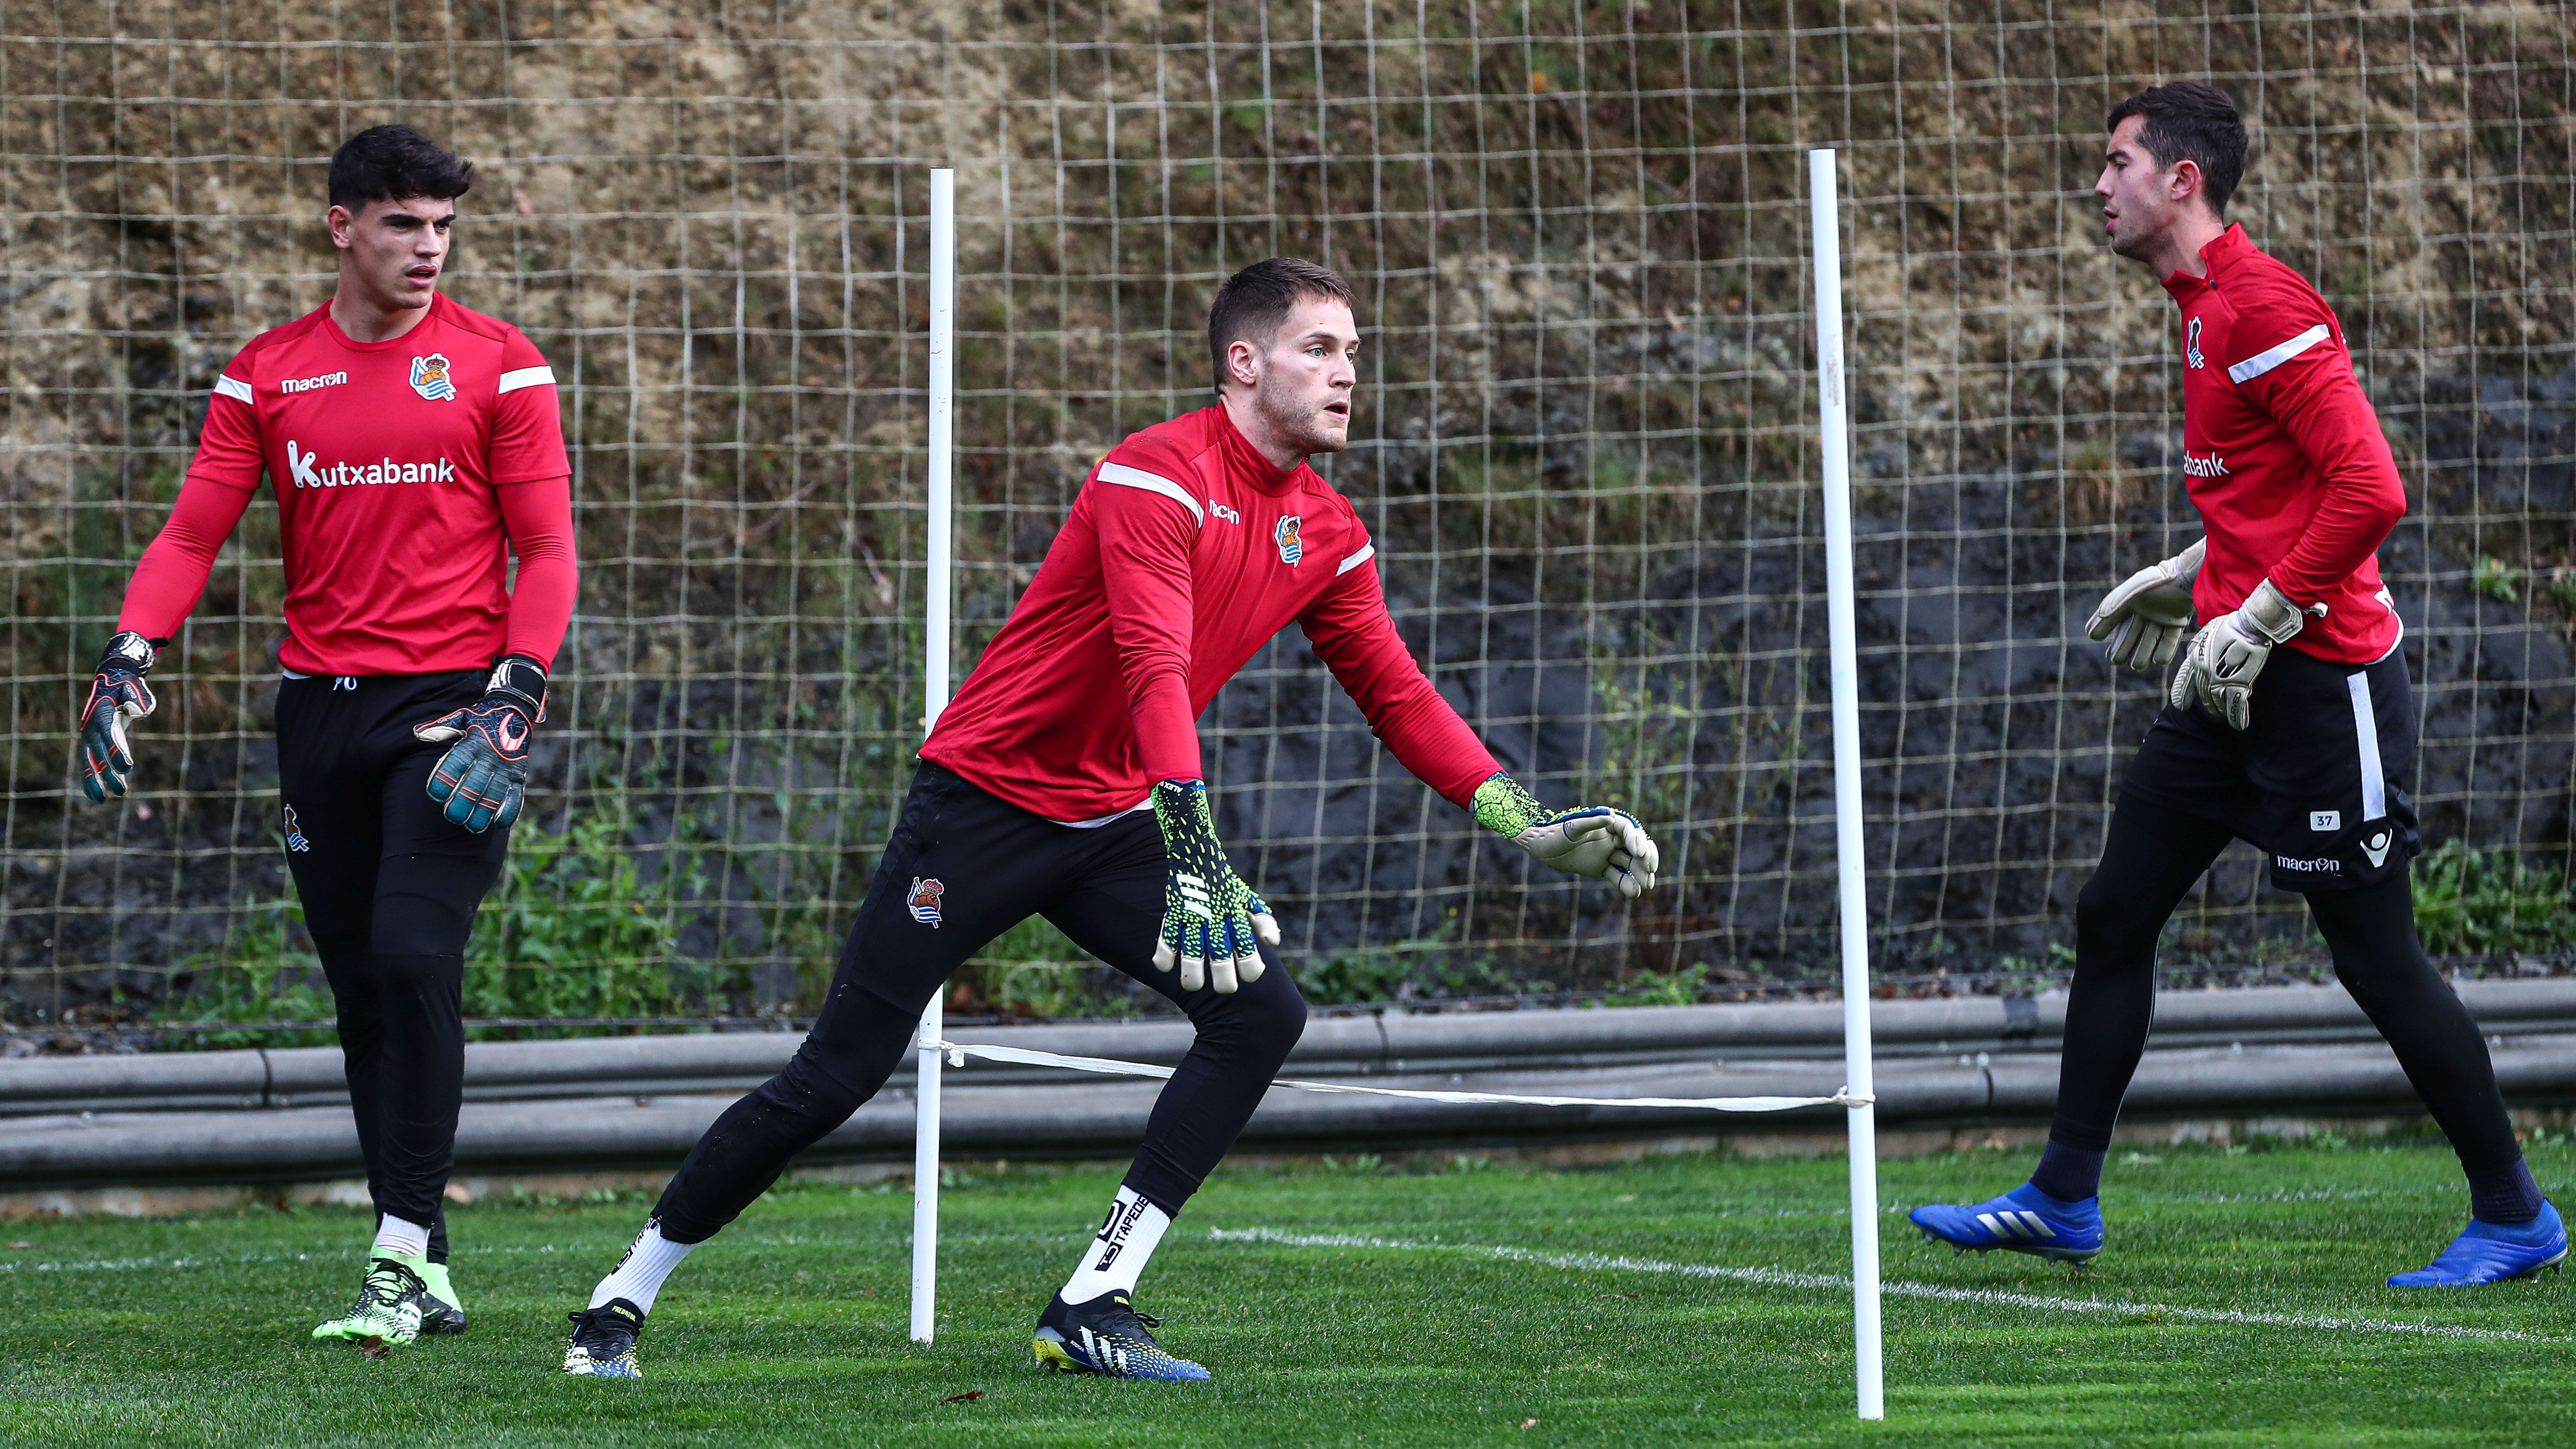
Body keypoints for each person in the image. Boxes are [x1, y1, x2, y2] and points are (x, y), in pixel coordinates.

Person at [558, 257, 1661, 1381]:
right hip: (981, 806)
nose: (1347, 375)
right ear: (1244, 363)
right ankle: (618, 1300)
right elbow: (1152, 666)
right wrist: (1195, 847)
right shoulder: (1152, 474)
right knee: (836, 1075)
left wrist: (1522, 823)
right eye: (1319, 350)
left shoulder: (1326, 529)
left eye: (1354, 354)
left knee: (1259, 1016)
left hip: (1114, 818)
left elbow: (1399, 695)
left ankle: (1095, 1299)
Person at [1910, 83, 2562, 1286]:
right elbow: (2277, 490)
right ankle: (2063, 1196)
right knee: (2112, 915)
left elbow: (2370, 492)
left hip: (2322, 687)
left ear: (2181, 180)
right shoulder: (2199, 308)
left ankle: (2515, 1215)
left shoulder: (2258, 304)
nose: (2096, 186)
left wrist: (2262, 610)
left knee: (2373, 960)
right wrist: (2194, 568)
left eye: (2114, 163)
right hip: (2226, 683)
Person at [77, 124, 577, 1350]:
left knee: (414, 959)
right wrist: (129, 656)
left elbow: (549, 551)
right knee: (364, 993)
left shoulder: (501, 366)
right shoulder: (264, 374)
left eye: (443, 227)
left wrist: (519, 690)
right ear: (341, 224)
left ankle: (396, 1262)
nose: (428, 248)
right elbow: (191, 537)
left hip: (454, 709)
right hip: (317, 712)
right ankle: (428, 1259)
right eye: (404, 223)